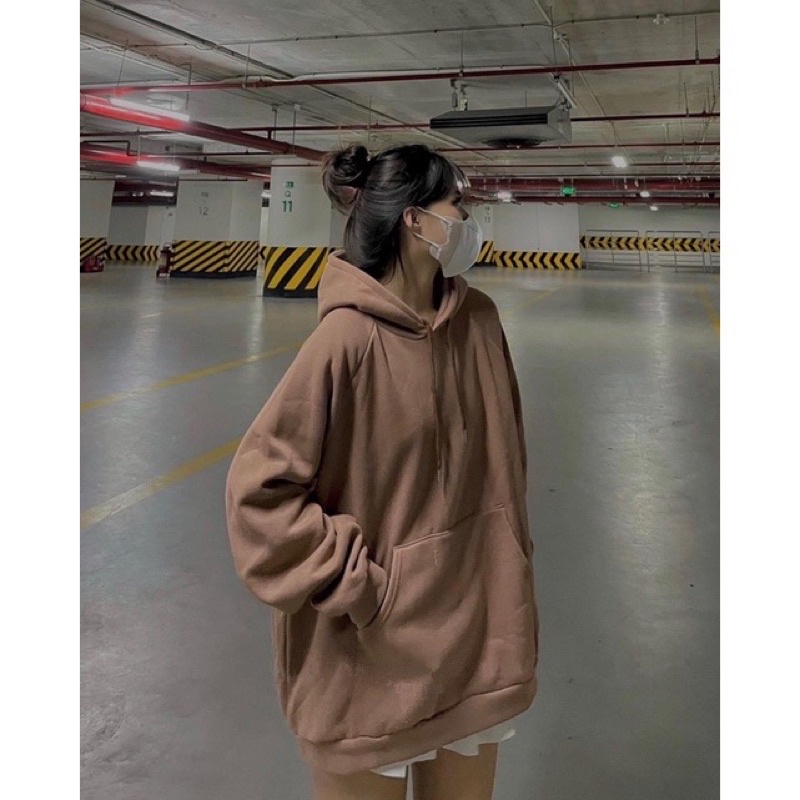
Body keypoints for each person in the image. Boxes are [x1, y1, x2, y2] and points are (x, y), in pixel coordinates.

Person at [225, 143, 539, 800]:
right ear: (415, 221)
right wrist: (365, 587)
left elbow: (506, 468)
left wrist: (506, 562)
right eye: (457, 204)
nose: (468, 219)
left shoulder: (481, 322)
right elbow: (258, 495)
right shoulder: (344, 342)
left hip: (478, 646)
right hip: (371, 665)